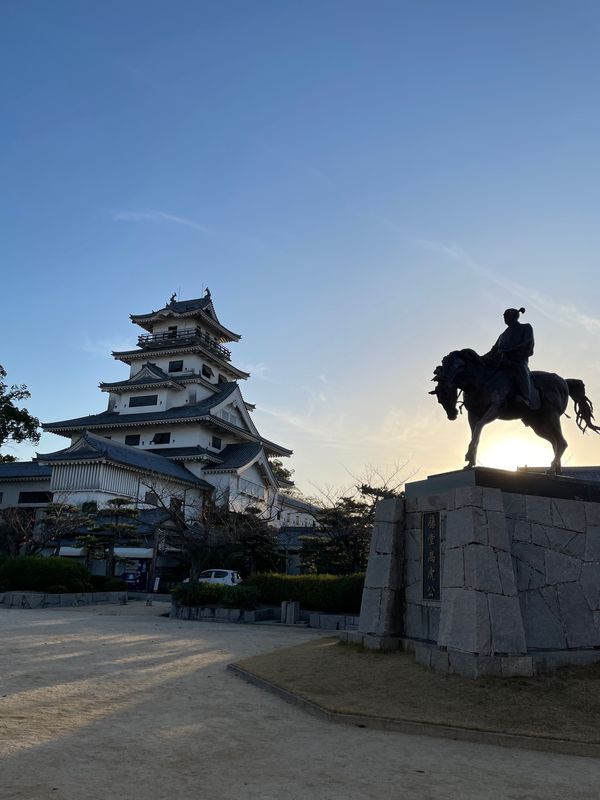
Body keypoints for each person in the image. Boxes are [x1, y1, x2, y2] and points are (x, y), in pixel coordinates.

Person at [483, 307, 535, 408]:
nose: (505, 318)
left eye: (506, 316)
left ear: (514, 316)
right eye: (504, 316)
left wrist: (510, 350)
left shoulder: (526, 327)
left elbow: (528, 343)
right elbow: (493, 351)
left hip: (518, 360)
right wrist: (480, 358)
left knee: (521, 369)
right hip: (502, 362)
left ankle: (526, 398)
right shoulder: (502, 335)